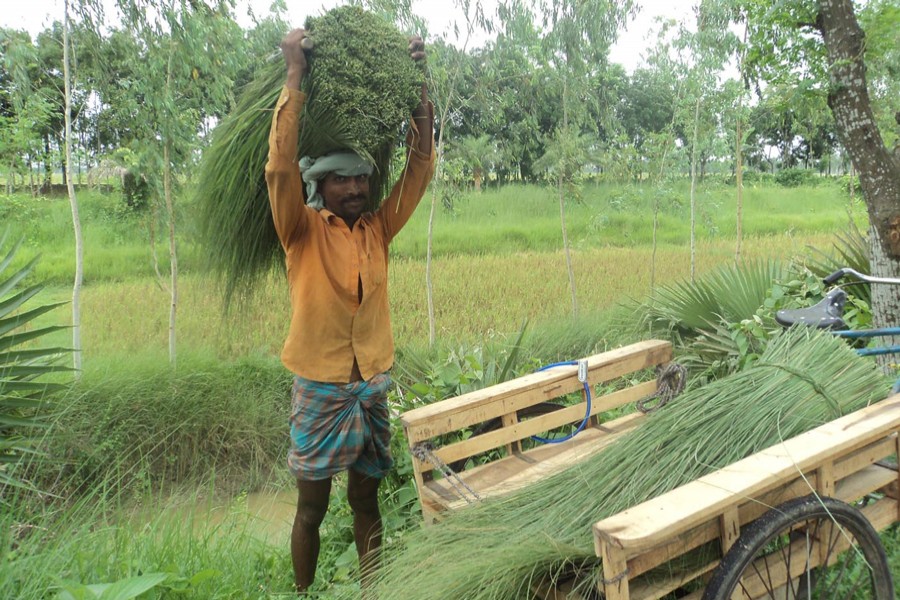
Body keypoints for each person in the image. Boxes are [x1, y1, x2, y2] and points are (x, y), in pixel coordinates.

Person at [264, 28, 434, 595]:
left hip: (371, 381)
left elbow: (419, 170)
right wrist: (294, 77)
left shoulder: (378, 229)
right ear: (321, 184)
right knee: (310, 507)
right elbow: (279, 169)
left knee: (367, 497)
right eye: (342, 178)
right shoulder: (301, 229)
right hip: (319, 383)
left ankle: (373, 588)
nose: (356, 187)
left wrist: (419, 92)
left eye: (361, 176)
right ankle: (304, 593)